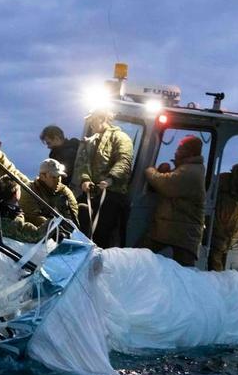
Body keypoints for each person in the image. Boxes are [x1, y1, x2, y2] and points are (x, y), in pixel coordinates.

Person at [140, 135, 206, 267]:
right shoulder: (187, 169)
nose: (176, 151)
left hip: (182, 234)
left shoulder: (191, 171)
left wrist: (150, 170)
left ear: (191, 152)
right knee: (142, 254)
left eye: (181, 148)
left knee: (182, 274)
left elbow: (165, 184)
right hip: (175, 230)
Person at [76, 111, 133, 248]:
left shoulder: (121, 138)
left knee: (103, 235)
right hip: (92, 193)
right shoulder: (90, 141)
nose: (90, 124)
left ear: (102, 118)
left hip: (112, 195)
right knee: (78, 223)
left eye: (92, 120)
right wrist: (85, 179)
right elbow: (83, 163)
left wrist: (111, 179)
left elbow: (124, 161)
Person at [0, 180, 47, 244]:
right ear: (15, 195)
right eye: (19, 190)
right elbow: (36, 236)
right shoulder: (14, 222)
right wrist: (52, 221)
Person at [21, 158, 79, 227]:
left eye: (59, 176)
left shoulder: (65, 191)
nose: (58, 180)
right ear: (42, 176)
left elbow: (73, 214)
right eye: (54, 177)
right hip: (40, 233)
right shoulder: (29, 190)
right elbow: (32, 217)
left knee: (84, 209)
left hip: (64, 230)